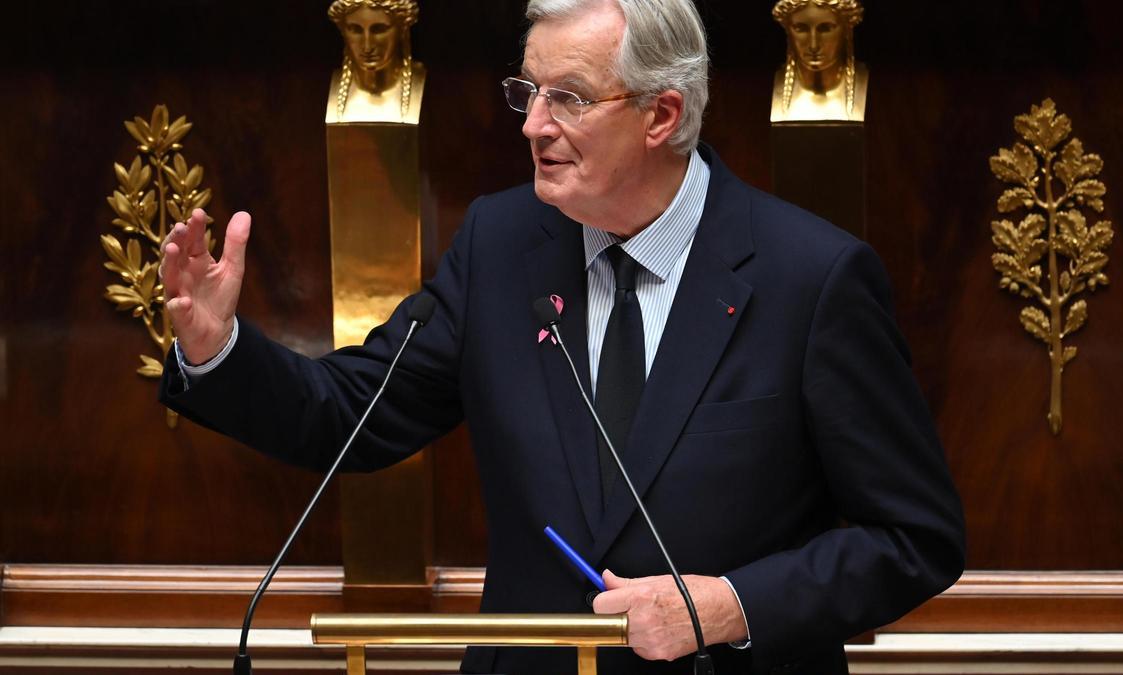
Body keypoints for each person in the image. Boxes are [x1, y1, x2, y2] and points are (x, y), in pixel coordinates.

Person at [159, 0, 965, 672]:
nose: (533, 126)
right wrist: (215, 347)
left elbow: (914, 537)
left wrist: (730, 606)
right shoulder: (501, 247)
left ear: (662, 114)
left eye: (569, 98)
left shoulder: (810, 278)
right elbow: (348, 415)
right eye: (528, 92)